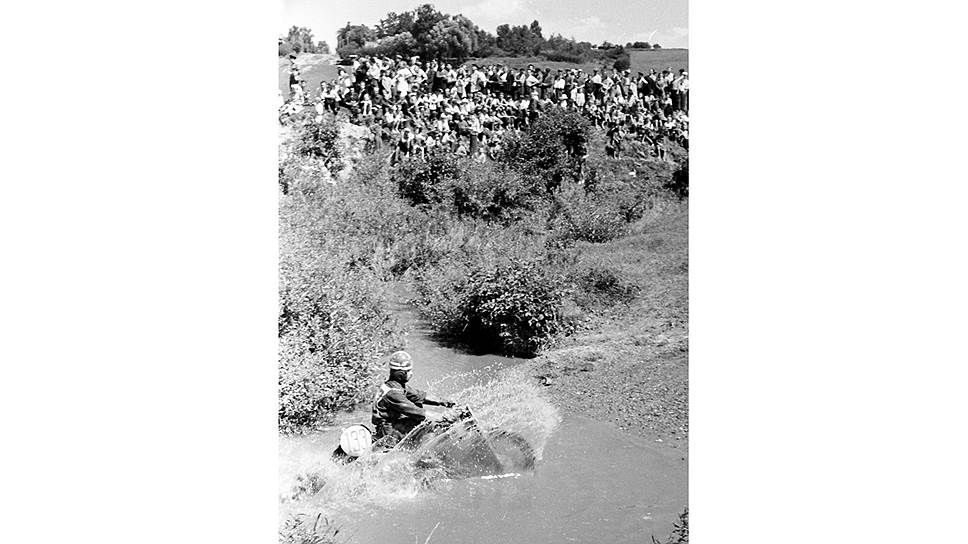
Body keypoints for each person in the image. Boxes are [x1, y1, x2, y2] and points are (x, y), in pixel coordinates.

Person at [371, 351, 455, 447]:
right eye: (409, 371)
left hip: (392, 424)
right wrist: (444, 417)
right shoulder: (393, 393)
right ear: (401, 374)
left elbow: (420, 396)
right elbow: (415, 411)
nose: (411, 373)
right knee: (429, 424)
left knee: (420, 410)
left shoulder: (395, 386)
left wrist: (445, 402)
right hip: (388, 432)